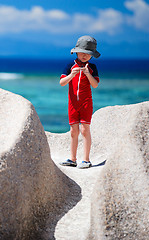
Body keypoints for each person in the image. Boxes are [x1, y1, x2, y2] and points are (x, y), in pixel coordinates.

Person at [59, 35, 100, 169]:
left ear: (92, 55)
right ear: (76, 51)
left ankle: (86, 159)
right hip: (72, 103)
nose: (84, 56)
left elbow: (95, 85)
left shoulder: (92, 67)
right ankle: (72, 159)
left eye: (88, 54)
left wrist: (88, 74)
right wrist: (72, 75)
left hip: (86, 103)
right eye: (82, 52)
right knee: (73, 131)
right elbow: (62, 83)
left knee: (84, 130)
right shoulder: (70, 65)